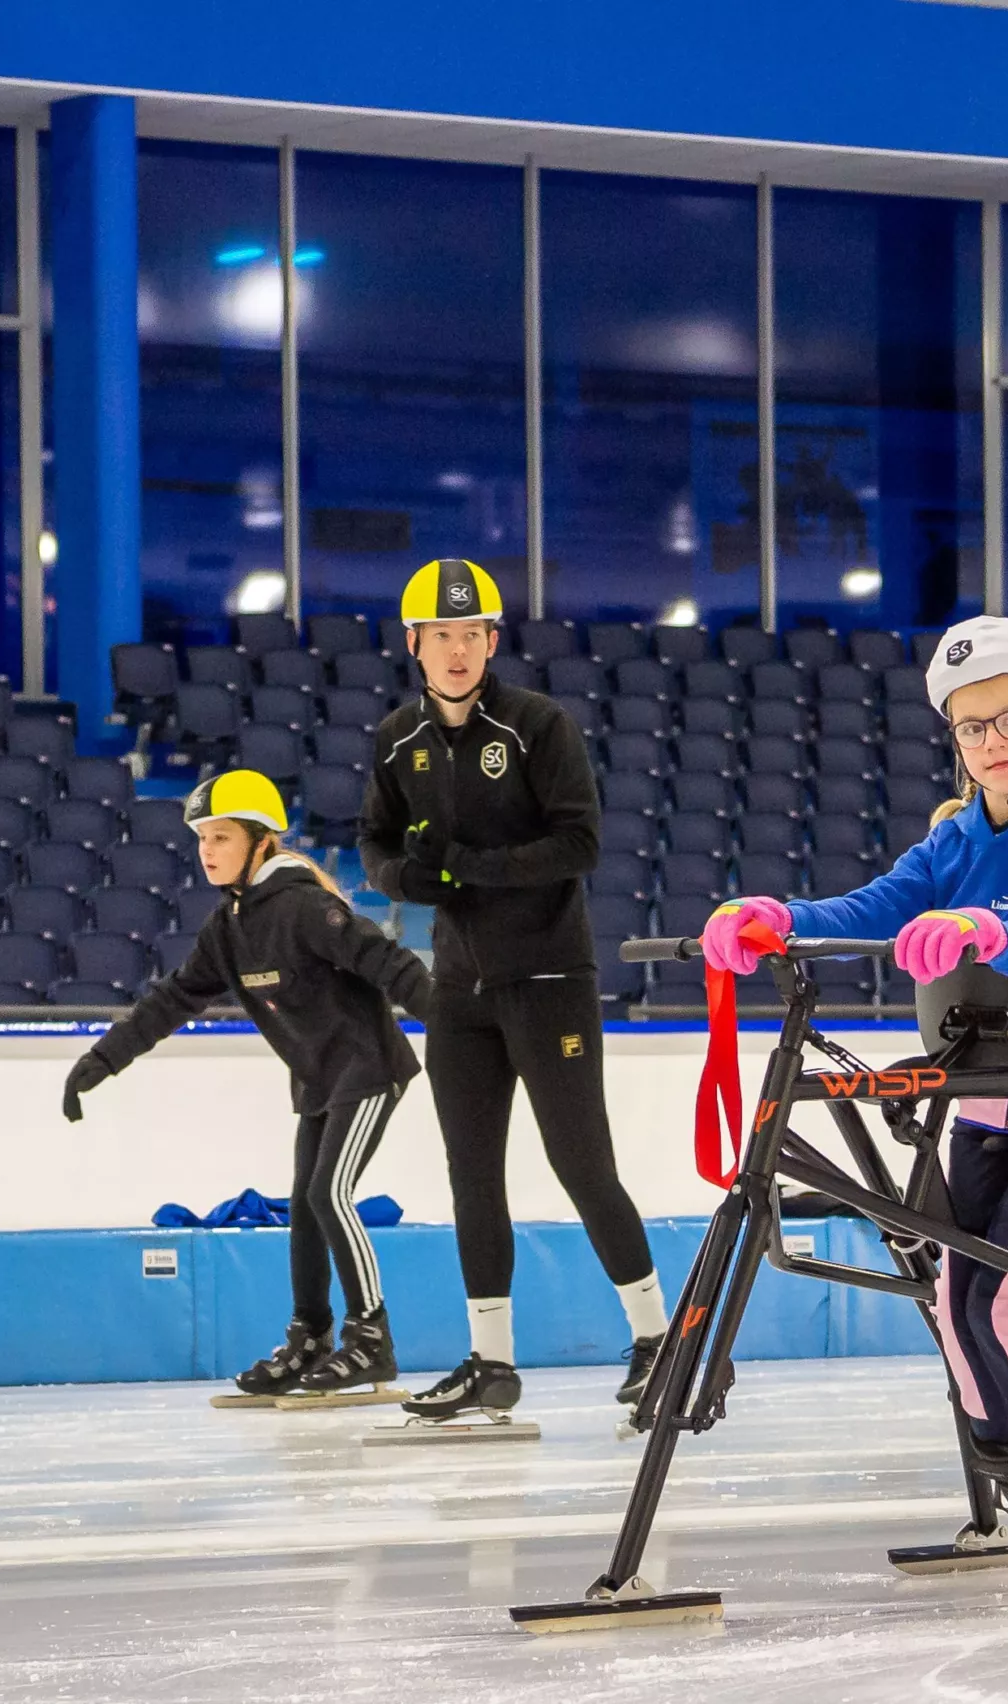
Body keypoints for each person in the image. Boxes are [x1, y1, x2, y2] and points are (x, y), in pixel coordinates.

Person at [698, 614, 1008, 1593]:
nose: (994, 742)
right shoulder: (952, 839)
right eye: (972, 727)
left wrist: (982, 929)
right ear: (955, 740)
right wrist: (781, 919)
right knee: (953, 1304)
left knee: (1001, 1305)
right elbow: (873, 906)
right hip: (983, 1112)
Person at [357, 559, 666, 1422]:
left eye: (472, 634)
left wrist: (466, 868)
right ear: (414, 643)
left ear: (492, 642)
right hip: (459, 991)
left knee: (581, 1165)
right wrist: (402, 880)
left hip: (550, 978)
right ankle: (491, 1362)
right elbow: (375, 842)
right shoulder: (398, 739)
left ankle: (658, 1340)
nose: (457, 651)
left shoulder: (536, 726)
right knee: (471, 1174)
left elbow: (580, 844)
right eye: (441, 635)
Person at [62, 771, 431, 1398]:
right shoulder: (228, 927)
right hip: (317, 1078)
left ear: (261, 841)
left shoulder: (305, 907)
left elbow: (388, 962)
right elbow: (174, 998)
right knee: (307, 1208)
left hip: (369, 1069)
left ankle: (371, 1339)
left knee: (330, 1194)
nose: (207, 850)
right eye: (202, 838)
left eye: (221, 837)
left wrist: (459, 1027)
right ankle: (310, 1336)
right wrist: (100, 1061)